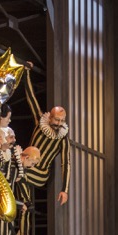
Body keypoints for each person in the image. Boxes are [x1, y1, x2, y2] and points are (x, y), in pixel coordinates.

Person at [23, 62, 70, 207]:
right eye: (56, 120)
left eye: (62, 121)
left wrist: (64, 189)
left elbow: (66, 163)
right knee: (18, 174)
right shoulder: (40, 121)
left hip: (41, 173)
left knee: (18, 172)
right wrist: (26, 73)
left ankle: (25, 205)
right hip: (25, 165)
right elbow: (31, 98)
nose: (59, 123)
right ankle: (24, 207)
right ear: (50, 117)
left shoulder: (62, 138)